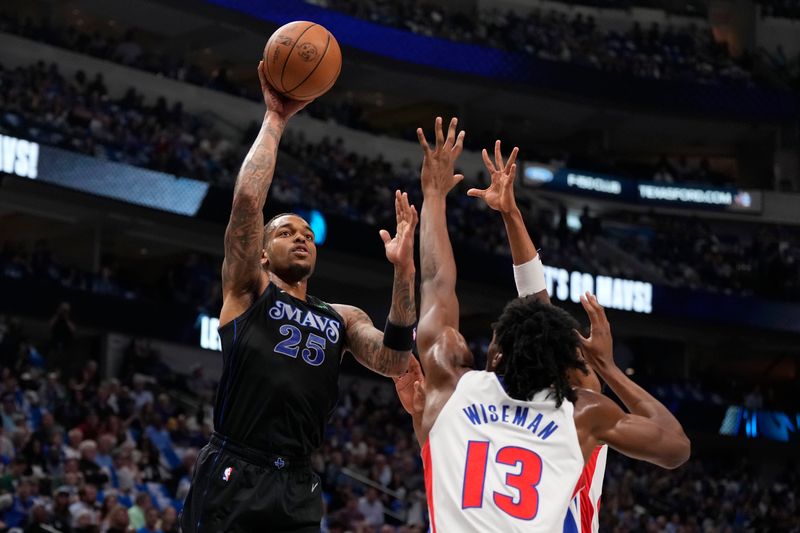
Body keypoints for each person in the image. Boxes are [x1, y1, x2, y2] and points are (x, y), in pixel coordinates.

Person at [409, 118, 690, 531]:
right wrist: (609, 367)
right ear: (565, 363)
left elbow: (436, 284)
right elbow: (676, 447)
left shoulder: (451, 387)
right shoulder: (584, 406)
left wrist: (433, 197)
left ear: (499, 353)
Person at [180, 61, 418, 533]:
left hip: (298, 484)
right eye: (286, 232)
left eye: (307, 234)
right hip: (234, 468)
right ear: (263, 253)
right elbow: (248, 202)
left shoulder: (342, 317)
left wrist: (404, 270)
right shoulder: (249, 291)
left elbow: (394, 360)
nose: (302, 238)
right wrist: (275, 119)